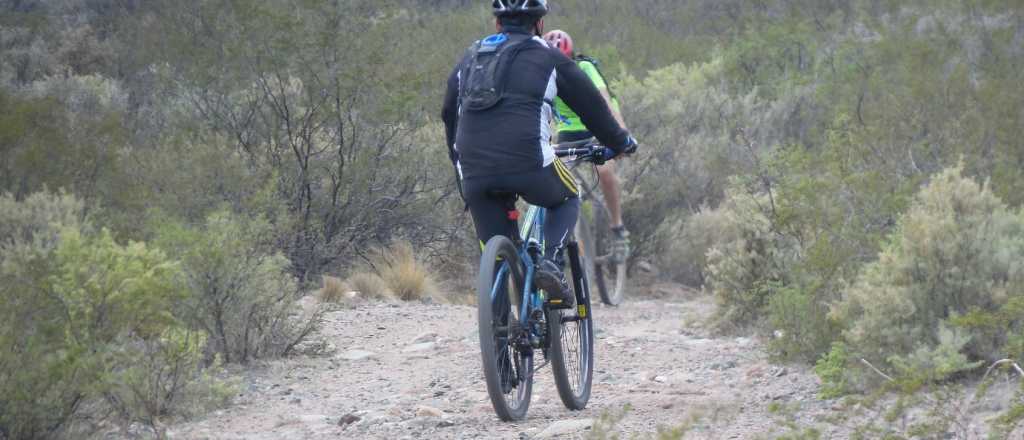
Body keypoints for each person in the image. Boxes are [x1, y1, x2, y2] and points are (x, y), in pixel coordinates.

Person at [441, 0, 637, 308]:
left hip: (474, 170)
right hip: (529, 164)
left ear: (497, 24)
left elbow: (448, 112)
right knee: (569, 195)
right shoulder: (549, 56)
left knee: (493, 257)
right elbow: (592, 107)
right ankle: (550, 262)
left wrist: (459, 164)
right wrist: (622, 141)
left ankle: (500, 347)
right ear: (539, 25)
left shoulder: (470, 56)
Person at [543, 29, 631, 261]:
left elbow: (605, 100)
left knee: (604, 171)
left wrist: (621, 134)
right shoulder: (542, 72)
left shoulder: (585, 68)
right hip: (567, 132)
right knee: (553, 177)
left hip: (595, 126)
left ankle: (617, 228)